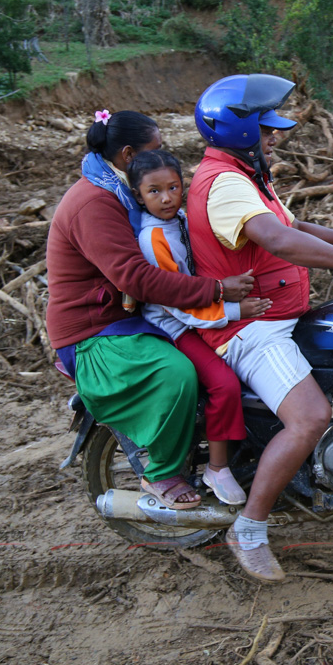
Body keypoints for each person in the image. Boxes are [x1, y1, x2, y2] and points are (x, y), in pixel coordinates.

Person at [187, 74, 333, 582]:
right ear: (239, 131)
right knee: (310, 417)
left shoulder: (247, 175)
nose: (275, 136)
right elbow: (276, 241)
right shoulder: (223, 184)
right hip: (251, 329)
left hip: (277, 317)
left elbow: (294, 227)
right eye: (266, 128)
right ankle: (249, 529)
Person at [46, 109, 255, 511]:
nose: (160, 158)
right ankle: (161, 472)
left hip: (128, 318)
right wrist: (215, 290)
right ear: (128, 155)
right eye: (153, 150)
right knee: (177, 374)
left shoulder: (120, 192)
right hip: (95, 332)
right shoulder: (94, 202)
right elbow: (135, 278)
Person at [128, 148, 271, 505]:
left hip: (207, 310)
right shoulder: (153, 240)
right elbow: (178, 303)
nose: (166, 198)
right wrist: (234, 310)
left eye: (174, 188)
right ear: (138, 195)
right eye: (154, 191)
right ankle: (218, 467)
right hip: (177, 326)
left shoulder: (182, 220)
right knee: (223, 383)